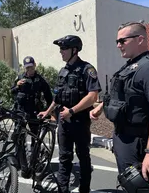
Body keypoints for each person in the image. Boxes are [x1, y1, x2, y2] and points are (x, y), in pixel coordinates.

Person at [90, 21, 149, 184]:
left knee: (139, 187)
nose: (118, 45)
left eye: (122, 41)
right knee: (127, 184)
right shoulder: (130, 67)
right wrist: (101, 107)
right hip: (123, 137)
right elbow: (122, 94)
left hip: (138, 142)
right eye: (117, 41)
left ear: (140, 39)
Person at [38, 35, 102, 193]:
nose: (61, 52)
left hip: (80, 122)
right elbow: (58, 97)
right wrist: (47, 112)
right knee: (64, 158)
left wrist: (72, 111)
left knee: (83, 157)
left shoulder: (87, 69)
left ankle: (84, 189)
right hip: (64, 122)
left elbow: (93, 96)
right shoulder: (63, 71)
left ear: (74, 50)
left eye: (64, 48)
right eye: (60, 49)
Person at [11, 56, 53, 148]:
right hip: (21, 110)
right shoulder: (20, 77)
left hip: (34, 110)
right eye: (27, 68)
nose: (29, 70)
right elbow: (12, 91)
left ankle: (34, 155)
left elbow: (48, 94)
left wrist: (49, 110)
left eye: (31, 67)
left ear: (35, 65)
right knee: (18, 135)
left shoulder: (39, 79)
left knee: (35, 134)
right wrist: (17, 86)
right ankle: (19, 156)